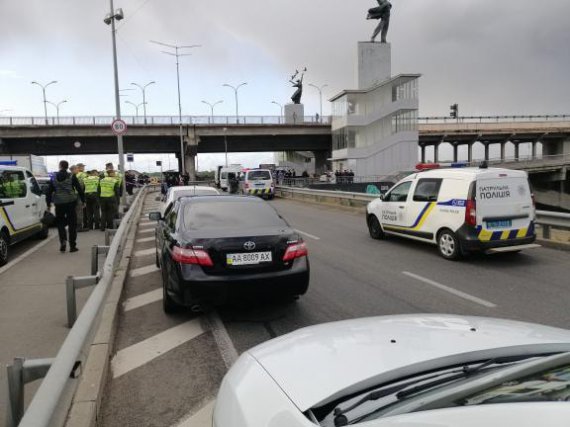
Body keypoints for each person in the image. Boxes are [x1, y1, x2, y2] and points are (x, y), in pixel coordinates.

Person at [46, 160, 85, 253]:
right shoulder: (72, 176)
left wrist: (48, 204)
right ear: (67, 167)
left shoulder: (54, 177)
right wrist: (83, 201)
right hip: (71, 202)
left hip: (59, 203)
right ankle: (72, 246)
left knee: (60, 223)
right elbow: (79, 189)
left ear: (60, 166)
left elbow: (48, 192)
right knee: (72, 223)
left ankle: (63, 241)